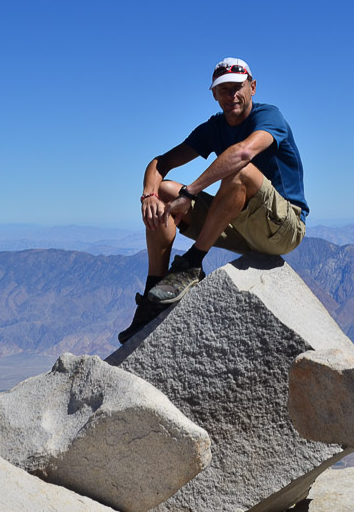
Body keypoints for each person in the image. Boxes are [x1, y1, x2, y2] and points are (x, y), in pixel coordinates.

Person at [119, 57, 308, 343]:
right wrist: (149, 195)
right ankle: (153, 295)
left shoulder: (269, 117)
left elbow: (243, 153)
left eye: (237, 87)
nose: (231, 95)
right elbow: (162, 162)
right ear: (214, 95)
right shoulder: (213, 128)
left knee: (240, 170)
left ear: (253, 87)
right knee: (166, 191)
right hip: (240, 227)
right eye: (223, 89)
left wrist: (191, 192)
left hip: (283, 227)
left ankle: (192, 263)